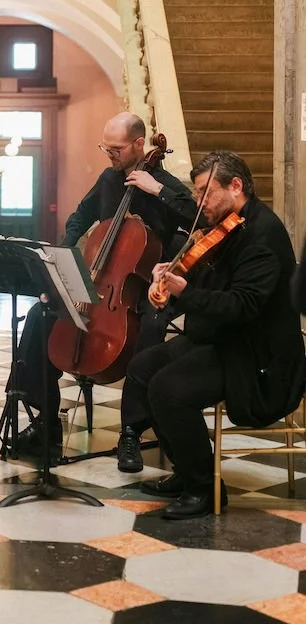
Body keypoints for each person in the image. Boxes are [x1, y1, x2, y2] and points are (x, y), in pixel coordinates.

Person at [127, 150, 305, 520]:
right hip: (223, 339)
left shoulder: (262, 235)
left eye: (206, 192)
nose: (199, 202)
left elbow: (241, 306)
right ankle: (187, 469)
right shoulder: (230, 225)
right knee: (143, 369)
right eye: (196, 193)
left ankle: (204, 490)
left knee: (169, 390)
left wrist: (182, 290)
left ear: (235, 186)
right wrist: (173, 272)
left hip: (256, 356)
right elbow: (211, 280)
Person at [14, 112, 197, 464]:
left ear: (139, 145)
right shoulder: (109, 179)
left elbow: (199, 217)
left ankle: (131, 430)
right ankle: (46, 418)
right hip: (102, 281)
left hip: (149, 288)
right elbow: (80, 217)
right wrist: (65, 251)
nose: (108, 154)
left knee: (151, 331)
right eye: (106, 147)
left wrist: (156, 190)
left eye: (115, 148)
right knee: (41, 313)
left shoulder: (165, 184)